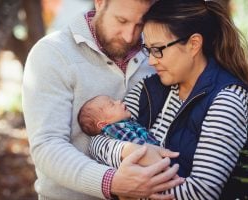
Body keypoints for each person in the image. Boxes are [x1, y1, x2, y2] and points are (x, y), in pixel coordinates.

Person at [90, 0, 248, 199]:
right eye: (148, 49)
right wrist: (127, 150)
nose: (151, 60)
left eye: (158, 49)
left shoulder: (227, 99)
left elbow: (200, 193)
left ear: (194, 44)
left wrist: (136, 188)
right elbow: (95, 142)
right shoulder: (148, 88)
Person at [22, 0, 184, 199]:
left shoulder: (156, 54)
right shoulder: (52, 54)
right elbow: (47, 145)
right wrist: (112, 182)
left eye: (140, 24)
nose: (129, 36)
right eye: (121, 20)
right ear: (99, 3)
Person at [78, 95, 159, 145]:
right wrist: (155, 150)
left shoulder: (127, 123)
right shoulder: (113, 129)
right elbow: (134, 143)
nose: (119, 101)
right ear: (103, 125)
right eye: (112, 104)